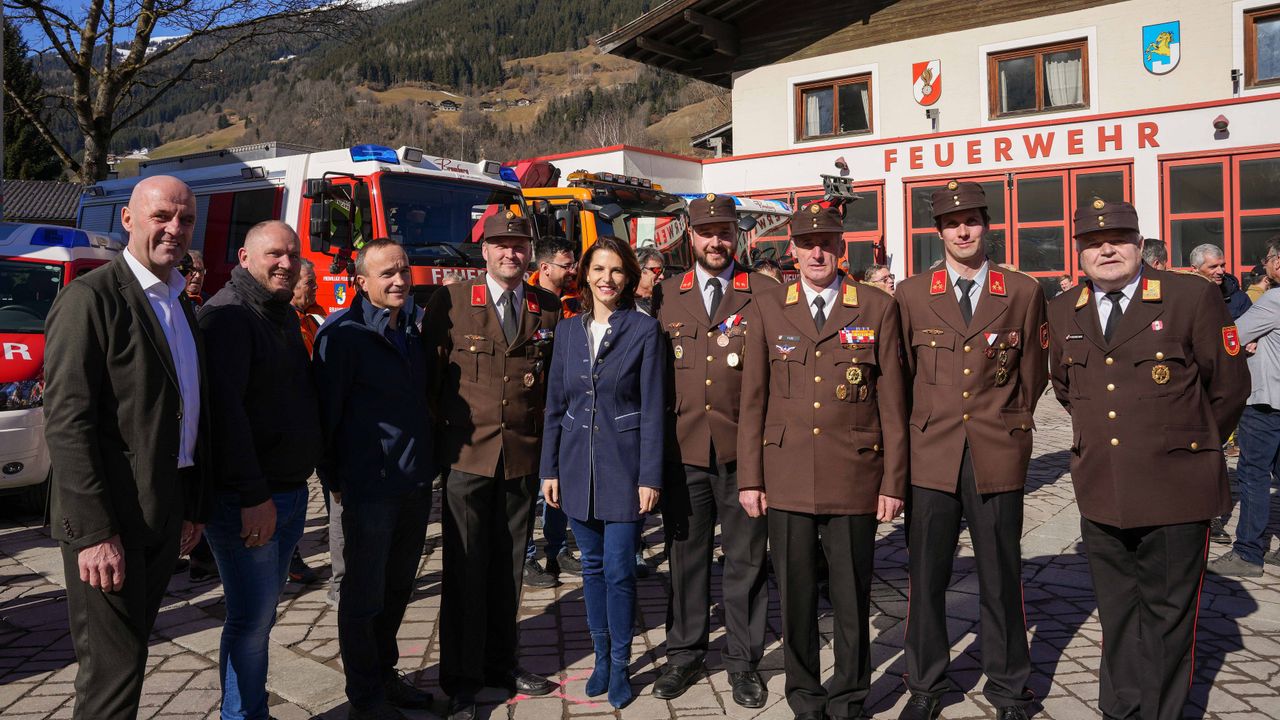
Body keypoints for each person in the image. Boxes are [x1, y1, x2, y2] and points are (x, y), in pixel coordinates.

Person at [1048, 199, 1249, 720]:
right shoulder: (1065, 307)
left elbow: (1227, 389)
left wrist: (1188, 446)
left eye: (1117, 239)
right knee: (1117, 613)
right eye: (1093, 243)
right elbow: (1067, 388)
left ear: (1140, 245)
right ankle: (1120, 708)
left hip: (1175, 488)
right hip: (1102, 489)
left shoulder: (1190, 297)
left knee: (1166, 616)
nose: (1106, 249)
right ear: (1080, 253)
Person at [44, 175, 211, 720]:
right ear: (128, 220)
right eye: (162, 215)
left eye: (185, 219)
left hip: (161, 515)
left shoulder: (178, 303)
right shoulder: (89, 299)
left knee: (132, 656)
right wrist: (93, 534)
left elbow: (182, 414)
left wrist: (190, 506)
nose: (175, 228)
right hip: (109, 522)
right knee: (111, 676)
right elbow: (68, 424)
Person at [737, 201, 907, 720]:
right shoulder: (768, 307)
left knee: (852, 596)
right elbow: (753, 401)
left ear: (841, 248)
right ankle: (806, 698)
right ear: (792, 250)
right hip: (785, 475)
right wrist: (750, 478)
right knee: (796, 597)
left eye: (827, 243)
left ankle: (851, 697)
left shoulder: (876, 307)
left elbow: (894, 403)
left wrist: (894, 481)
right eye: (807, 243)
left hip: (854, 474)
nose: (817, 251)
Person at [895, 181, 1047, 720]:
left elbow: (1032, 374)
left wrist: (1007, 425)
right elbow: (903, 377)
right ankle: (926, 685)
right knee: (926, 576)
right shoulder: (912, 294)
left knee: (1001, 576)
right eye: (952, 223)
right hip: (931, 454)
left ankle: (1009, 689)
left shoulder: (1022, 292)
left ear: (987, 226)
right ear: (938, 232)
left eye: (973, 221)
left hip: (995, 452)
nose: (963, 230)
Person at [425, 212, 562, 720]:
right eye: (501, 245)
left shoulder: (545, 307)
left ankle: (501, 663)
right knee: (464, 569)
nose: (511, 253)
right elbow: (431, 377)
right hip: (467, 458)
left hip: (522, 457)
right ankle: (461, 677)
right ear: (483, 251)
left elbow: (549, 388)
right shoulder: (454, 302)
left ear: (529, 253)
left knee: (508, 569)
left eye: (519, 245)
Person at [197, 220, 322, 720]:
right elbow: (224, 420)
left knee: (261, 617)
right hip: (251, 500)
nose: (286, 263)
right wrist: (253, 497)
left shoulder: (279, 312)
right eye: (274, 254)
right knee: (250, 620)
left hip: (288, 493)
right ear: (244, 259)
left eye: (293, 254)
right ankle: (242, 715)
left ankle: (250, 708)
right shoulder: (228, 317)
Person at [651, 194, 771, 708]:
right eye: (706, 232)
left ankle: (743, 661)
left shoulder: (765, 292)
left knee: (746, 561)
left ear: (737, 235)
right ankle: (684, 652)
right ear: (690, 237)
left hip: (745, 455)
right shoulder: (664, 295)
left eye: (725, 231)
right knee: (685, 559)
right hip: (683, 452)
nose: (716, 241)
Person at [314, 238, 436, 720]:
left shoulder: (412, 328)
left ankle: (385, 675)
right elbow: (326, 417)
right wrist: (333, 480)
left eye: (403, 270)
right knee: (362, 597)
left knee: (397, 589)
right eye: (386, 273)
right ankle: (364, 698)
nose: (399, 280)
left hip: (414, 484)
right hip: (368, 489)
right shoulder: (341, 336)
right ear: (361, 282)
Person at [540, 235, 665, 709]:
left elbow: (653, 409)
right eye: (598, 269)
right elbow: (555, 405)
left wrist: (650, 476)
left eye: (615, 271)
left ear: (628, 277)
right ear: (585, 275)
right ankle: (600, 656)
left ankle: (620, 664)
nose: (606, 279)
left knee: (618, 570)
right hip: (575, 468)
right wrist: (549, 467)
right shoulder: (568, 330)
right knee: (590, 568)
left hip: (624, 469)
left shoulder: (643, 330)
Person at [1209, 236, 1280, 577]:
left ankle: (1248, 552)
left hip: (1266, 402)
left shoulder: (1273, 300)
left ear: (1277, 262)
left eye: (1268, 258)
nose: (1265, 264)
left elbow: (1230, 336)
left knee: (1253, 474)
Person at [523, 236, 582, 588]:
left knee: (559, 483)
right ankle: (527, 556)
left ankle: (557, 550)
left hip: (561, 408)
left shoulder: (575, 300)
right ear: (545, 268)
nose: (572, 270)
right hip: (531, 409)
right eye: (566, 265)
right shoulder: (529, 302)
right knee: (530, 488)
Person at [1191, 243, 1252, 319]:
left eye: (1222, 266)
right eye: (1213, 267)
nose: (1220, 271)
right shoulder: (1183, 297)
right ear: (1195, 269)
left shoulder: (1240, 298)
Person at [293, 257, 327, 355]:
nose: (316, 286)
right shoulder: (285, 322)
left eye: (315, 281)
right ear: (292, 285)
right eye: (309, 282)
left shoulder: (317, 315)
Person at [634, 246, 665, 315]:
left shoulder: (666, 298)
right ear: (638, 271)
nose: (662, 276)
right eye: (657, 271)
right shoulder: (623, 308)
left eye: (662, 271)